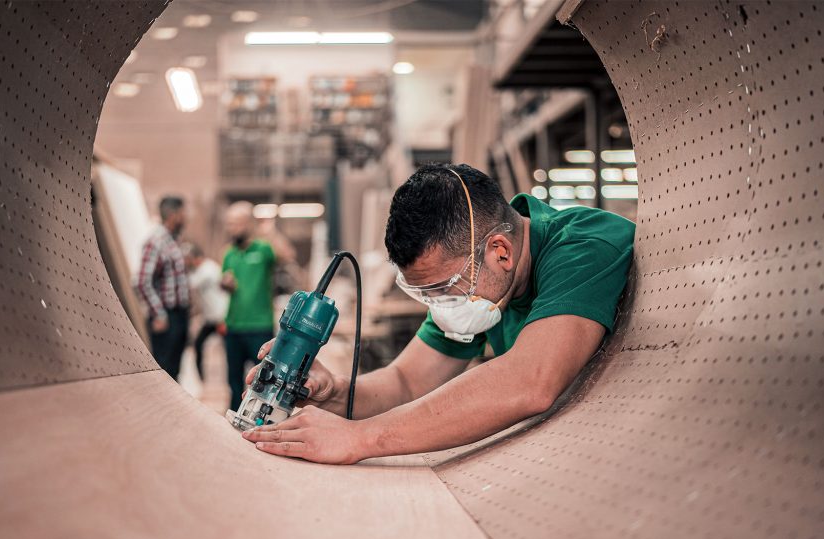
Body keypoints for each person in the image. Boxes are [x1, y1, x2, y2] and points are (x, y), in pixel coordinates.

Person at [240, 163, 636, 464]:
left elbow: (530, 381)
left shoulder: (584, 245)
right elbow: (406, 382)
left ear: (500, 251)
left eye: (444, 288)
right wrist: (332, 394)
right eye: (425, 293)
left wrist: (361, 438)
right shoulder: (481, 285)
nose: (441, 303)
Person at [221, 202, 279, 412]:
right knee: (234, 381)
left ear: (248, 224)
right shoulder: (228, 254)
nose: (231, 229)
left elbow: (287, 255)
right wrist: (225, 284)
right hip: (234, 326)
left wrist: (268, 230)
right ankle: (234, 420)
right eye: (229, 224)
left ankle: (261, 419)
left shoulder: (264, 249)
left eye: (236, 223)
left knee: (264, 381)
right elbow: (227, 283)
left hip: (259, 326)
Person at [137, 195, 191, 379]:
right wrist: (158, 313)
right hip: (167, 317)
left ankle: (173, 408)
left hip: (180, 314)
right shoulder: (156, 241)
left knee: (175, 370)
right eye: (183, 213)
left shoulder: (173, 240)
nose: (186, 217)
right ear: (173, 215)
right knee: (165, 369)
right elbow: (143, 281)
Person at [183, 242, 229, 381]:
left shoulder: (208, 269)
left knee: (229, 351)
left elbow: (190, 284)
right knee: (198, 345)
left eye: (187, 259)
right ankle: (202, 380)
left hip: (221, 317)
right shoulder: (199, 270)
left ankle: (228, 380)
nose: (186, 262)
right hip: (211, 319)